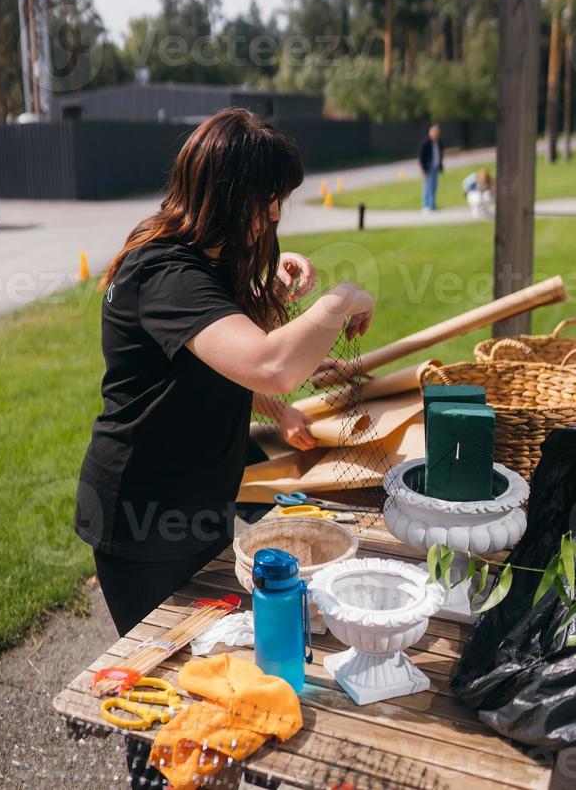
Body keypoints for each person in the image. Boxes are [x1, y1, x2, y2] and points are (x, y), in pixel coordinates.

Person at [74, 107, 374, 788]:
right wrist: (340, 298)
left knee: (212, 682)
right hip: (143, 517)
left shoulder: (197, 262)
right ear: (238, 196)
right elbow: (266, 364)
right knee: (172, 708)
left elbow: (226, 361)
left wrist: (271, 297)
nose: (274, 218)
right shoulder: (165, 272)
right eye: (271, 201)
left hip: (193, 499)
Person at [418, 123, 443, 212]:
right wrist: (423, 169)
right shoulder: (426, 142)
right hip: (428, 167)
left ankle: (432, 205)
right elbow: (421, 156)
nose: (437, 135)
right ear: (431, 132)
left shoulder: (438, 142)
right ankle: (426, 205)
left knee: (434, 186)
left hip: (435, 167)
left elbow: (440, 155)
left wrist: (441, 167)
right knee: (427, 186)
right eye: (435, 133)